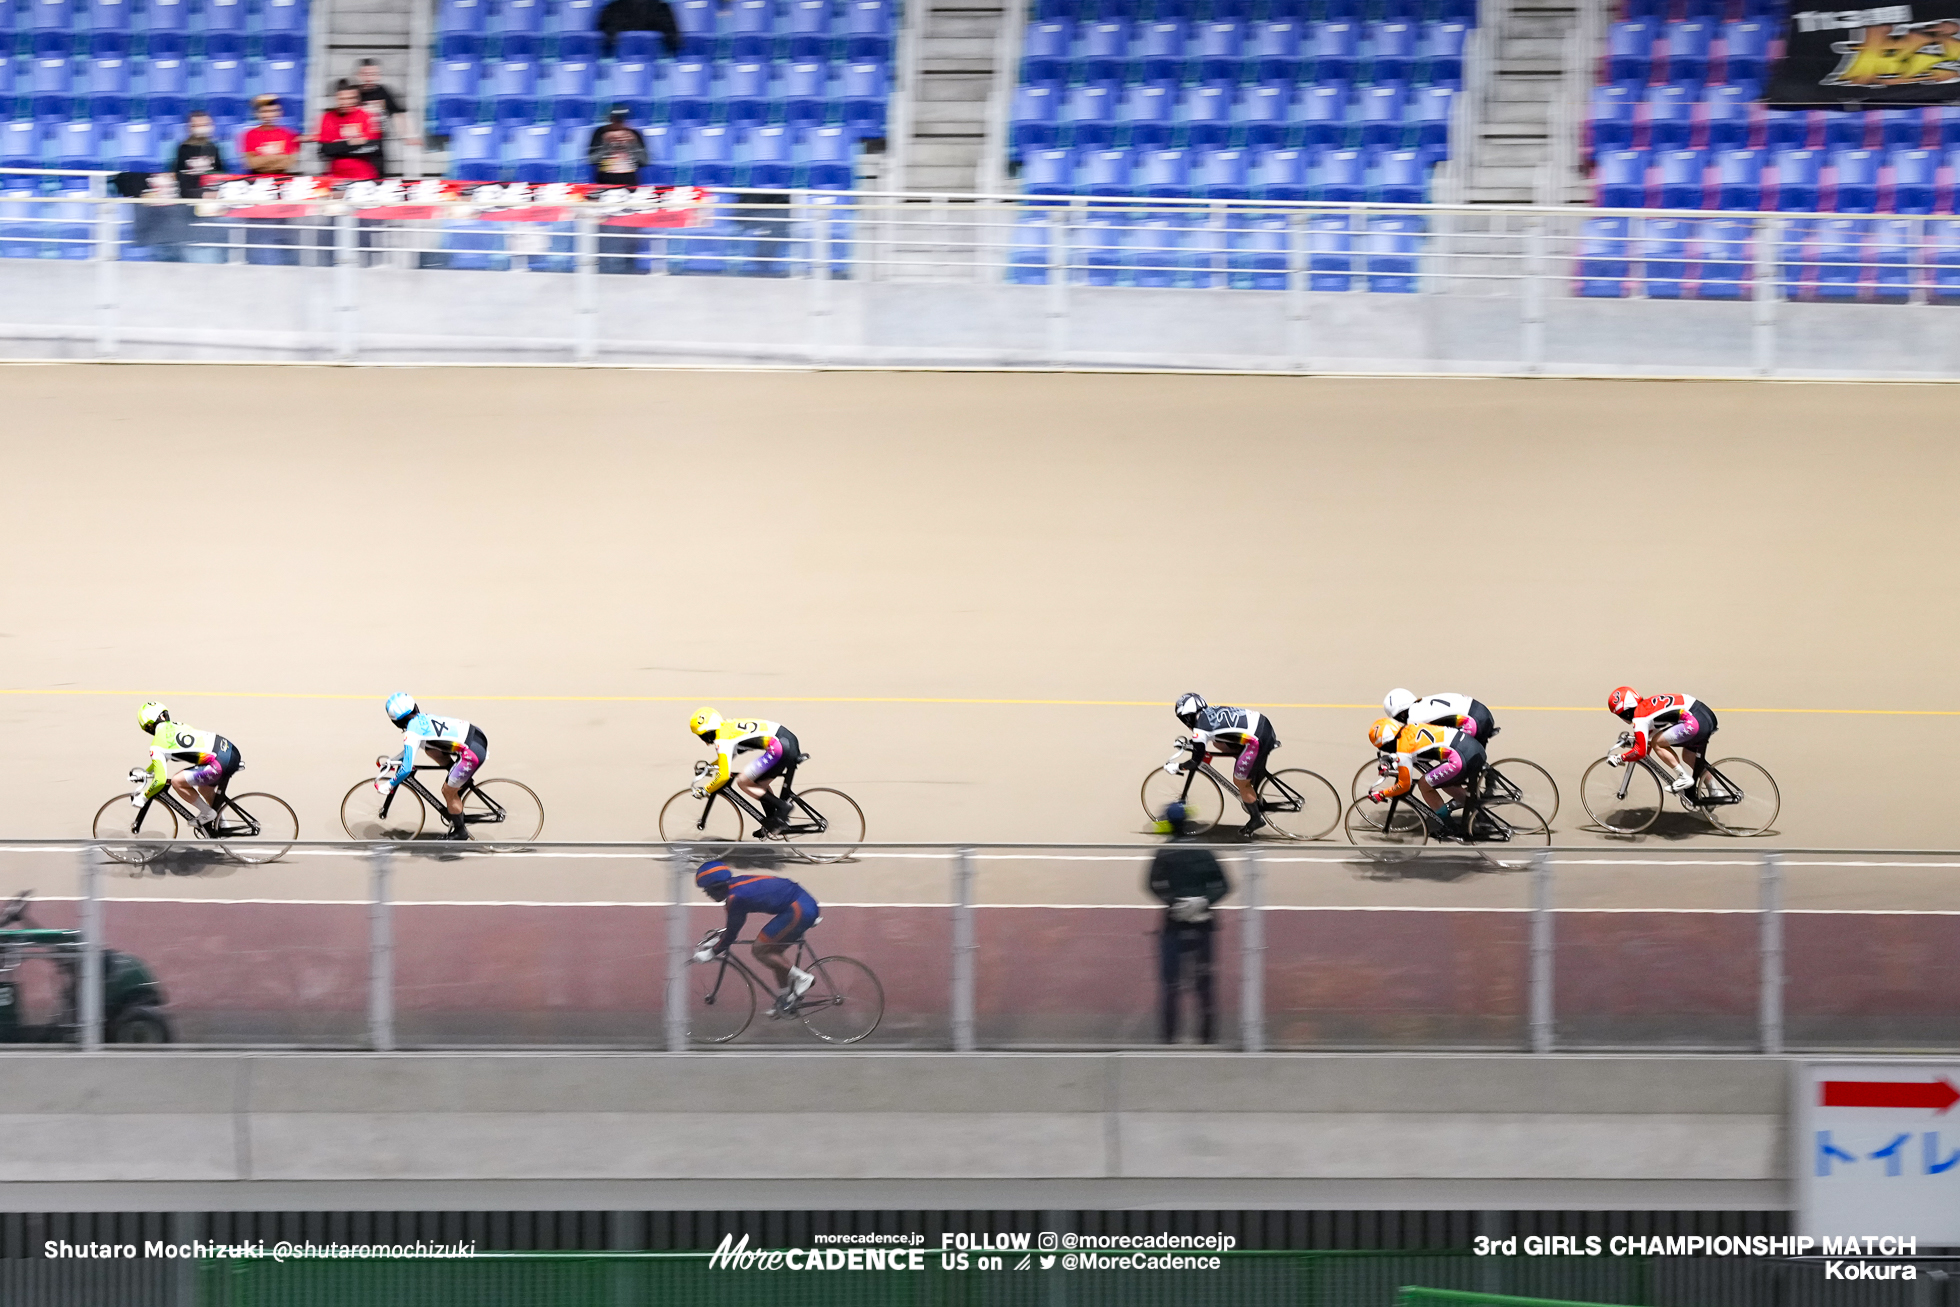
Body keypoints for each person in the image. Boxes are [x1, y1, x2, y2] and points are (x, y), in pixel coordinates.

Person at [1147, 802, 1231, 1045]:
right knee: (1204, 982)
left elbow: (1152, 884)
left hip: (1173, 924)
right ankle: (1207, 1037)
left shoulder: (1164, 852)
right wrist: (1204, 902)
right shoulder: (1204, 850)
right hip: (1203, 925)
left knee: (1170, 983)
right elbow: (1224, 884)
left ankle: (1167, 1037)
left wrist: (1174, 902)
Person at [692, 858, 819, 1012]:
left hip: (800, 910)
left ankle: (803, 978)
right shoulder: (735, 885)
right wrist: (719, 940)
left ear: (717, 888)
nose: (707, 895)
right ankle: (786, 1000)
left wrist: (712, 952)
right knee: (773, 954)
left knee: (760, 949)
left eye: (707, 890)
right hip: (802, 903)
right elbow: (732, 928)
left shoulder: (735, 898)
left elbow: (732, 933)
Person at [379, 693, 487, 838]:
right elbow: (410, 750)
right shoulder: (421, 720)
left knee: (447, 791)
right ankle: (458, 779)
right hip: (476, 736)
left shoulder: (412, 732)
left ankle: (460, 832)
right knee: (429, 748)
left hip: (472, 753)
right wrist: (393, 760)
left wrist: (390, 784)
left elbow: (406, 769)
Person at [1172, 692, 1280, 835]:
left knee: (1240, 781)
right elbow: (1212, 736)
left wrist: (1177, 767)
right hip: (1263, 724)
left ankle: (1256, 819)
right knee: (1219, 744)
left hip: (1257, 740)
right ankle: (1252, 785)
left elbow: (1195, 762)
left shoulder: (1199, 730)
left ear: (1188, 717)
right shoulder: (1210, 711)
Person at [687, 708, 800, 835]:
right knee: (758, 783)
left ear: (707, 733)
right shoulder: (727, 727)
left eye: (701, 736)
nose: (703, 741)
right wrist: (709, 766)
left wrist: (705, 790)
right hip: (786, 740)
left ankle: (783, 807)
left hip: (780, 747)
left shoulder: (722, 740)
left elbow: (723, 775)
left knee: (743, 781)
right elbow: (727, 757)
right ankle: (773, 821)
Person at [1367, 718, 1487, 833]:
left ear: (1387, 744)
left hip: (1461, 759)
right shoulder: (1411, 727)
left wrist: (1382, 794)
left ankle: (1449, 825)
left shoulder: (1404, 750)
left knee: (1424, 785)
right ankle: (1480, 814)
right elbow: (1417, 753)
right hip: (1472, 747)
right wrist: (1392, 760)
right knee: (1444, 782)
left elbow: (1404, 785)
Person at [135, 702, 240, 832]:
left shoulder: (156, 745)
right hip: (229, 750)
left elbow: (160, 780)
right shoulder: (178, 725)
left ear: (148, 726)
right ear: (164, 716)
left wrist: (144, 796)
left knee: (177, 781)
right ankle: (222, 824)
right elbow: (164, 757)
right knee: (204, 789)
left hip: (218, 764)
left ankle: (208, 814)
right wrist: (147, 772)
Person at [1606, 687, 1718, 794]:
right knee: (1689, 757)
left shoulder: (1639, 717)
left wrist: (1620, 758)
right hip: (1703, 715)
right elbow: (1646, 743)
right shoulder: (1648, 706)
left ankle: (1683, 777)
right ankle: (1715, 792)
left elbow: (1640, 751)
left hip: (1695, 722)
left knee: (1657, 742)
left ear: (1626, 713)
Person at [352, 59, 417, 175]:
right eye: (365, 74)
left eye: (373, 74)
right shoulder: (353, 93)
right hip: (354, 144)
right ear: (358, 75)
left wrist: (408, 135)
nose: (369, 78)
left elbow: (397, 114)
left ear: (378, 75)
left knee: (378, 175)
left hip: (376, 143)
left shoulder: (383, 92)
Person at [315, 82, 383, 181]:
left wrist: (338, 147)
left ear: (356, 99)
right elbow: (325, 150)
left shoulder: (367, 116)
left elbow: (373, 148)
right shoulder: (328, 117)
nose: (345, 102)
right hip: (335, 176)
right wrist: (350, 143)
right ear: (336, 98)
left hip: (364, 176)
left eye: (350, 98)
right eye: (342, 99)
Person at [1383, 688, 1499, 743]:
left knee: (1452, 760)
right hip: (1482, 712)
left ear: (1401, 714)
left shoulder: (1413, 719)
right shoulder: (1423, 702)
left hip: (1474, 722)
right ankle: (1485, 779)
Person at [588, 105, 649, 185]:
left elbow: (644, 162)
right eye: (615, 119)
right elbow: (591, 160)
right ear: (610, 119)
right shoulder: (600, 133)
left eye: (622, 120)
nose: (618, 123)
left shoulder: (634, 134)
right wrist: (606, 145)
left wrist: (632, 145)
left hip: (629, 181)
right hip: (605, 181)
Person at [241, 95, 302, 175]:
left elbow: (288, 163)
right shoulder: (250, 134)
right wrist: (279, 158)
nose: (269, 115)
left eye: (273, 111)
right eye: (264, 111)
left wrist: (262, 160)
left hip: (282, 180)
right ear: (257, 114)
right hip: (257, 180)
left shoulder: (289, 134)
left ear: (279, 112)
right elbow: (251, 163)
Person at [597, 0, 682, 57]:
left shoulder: (610, 9)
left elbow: (674, 40)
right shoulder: (611, 10)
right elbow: (674, 41)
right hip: (656, 64)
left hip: (654, 63)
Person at [171, 111, 225, 198]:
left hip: (211, 189)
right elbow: (180, 177)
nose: (201, 128)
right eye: (197, 125)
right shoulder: (183, 148)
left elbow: (220, 173)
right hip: (190, 192)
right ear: (190, 127)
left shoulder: (213, 147)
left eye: (204, 125)